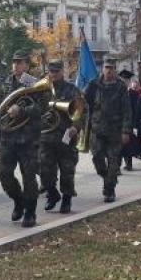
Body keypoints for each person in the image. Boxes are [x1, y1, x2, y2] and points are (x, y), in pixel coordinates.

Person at [0, 49, 47, 228]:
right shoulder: (6, 84)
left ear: (27, 64)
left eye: (20, 62)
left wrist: (22, 111)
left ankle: (30, 212)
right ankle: (18, 200)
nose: (16, 65)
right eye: (14, 62)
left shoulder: (34, 84)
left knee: (29, 178)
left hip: (28, 140)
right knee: (2, 172)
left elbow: (42, 108)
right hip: (8, 138)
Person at [84, 58, 132, 202]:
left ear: (115, 69)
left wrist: (126, 131)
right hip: (97, 130)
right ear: (102, 68)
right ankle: (107, 179)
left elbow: (126, 110)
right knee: (97, 159)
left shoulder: (120, 87)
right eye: (106, 67)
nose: (108, 70)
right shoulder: (94, 85)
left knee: (113, 163)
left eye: (111, 68)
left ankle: (109, 189)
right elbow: (84, 103)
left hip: (114, 132)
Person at [41, 59, 84, 212]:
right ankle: (52, 193)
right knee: (45, 170)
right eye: (51, 71)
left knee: (67, 171)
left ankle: (67, 199)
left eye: (56, 71)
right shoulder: (43, 89)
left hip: (66, 137)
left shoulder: (72, 90)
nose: (54, 74)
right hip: (46, 137)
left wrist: (75, 127)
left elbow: (80, 113)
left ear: (62, 72)